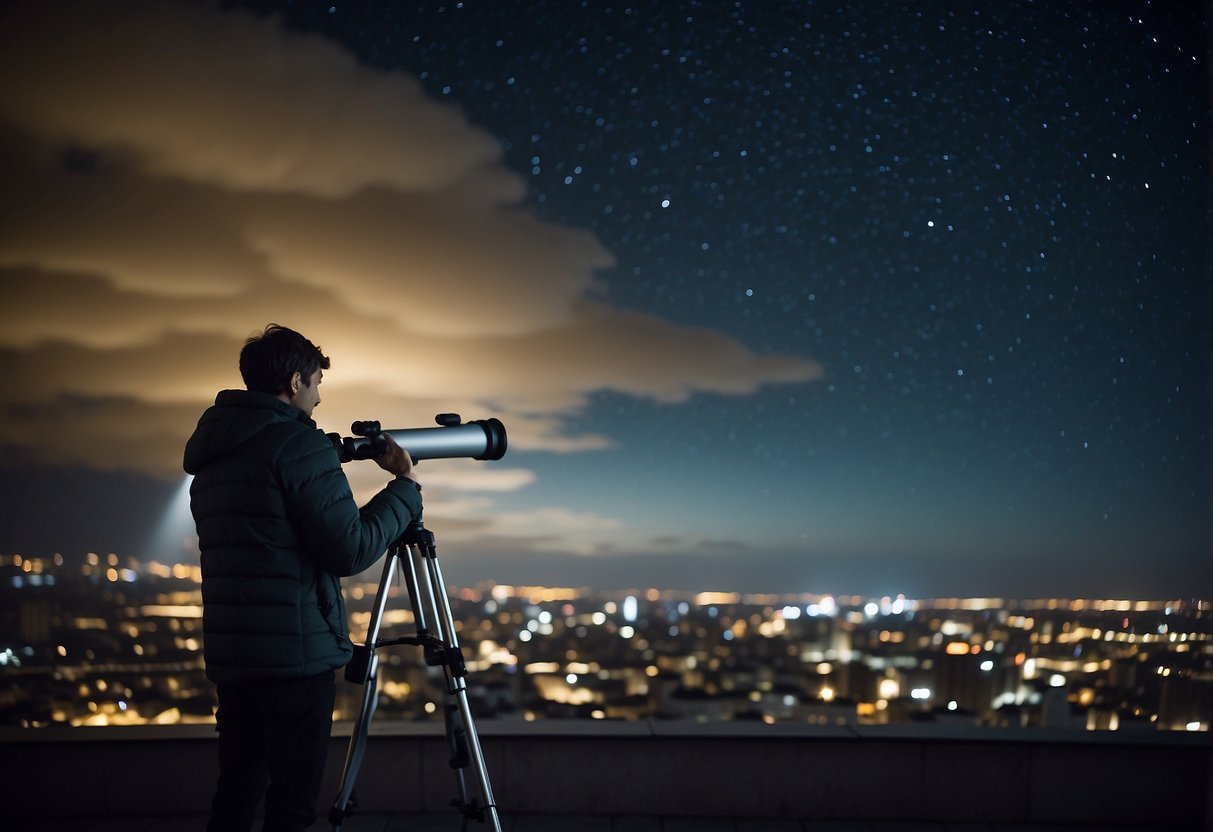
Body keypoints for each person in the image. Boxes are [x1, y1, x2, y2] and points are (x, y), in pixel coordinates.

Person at [183, 324, 421, 831]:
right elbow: (351, 548)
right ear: (295, 382)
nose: (317, 398)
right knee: (291, 804)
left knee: (237, 792)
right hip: (296, 658)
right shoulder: (297, 444)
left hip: (236, 657)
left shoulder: (212, 459)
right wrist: (404, 487)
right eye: (315, 384)